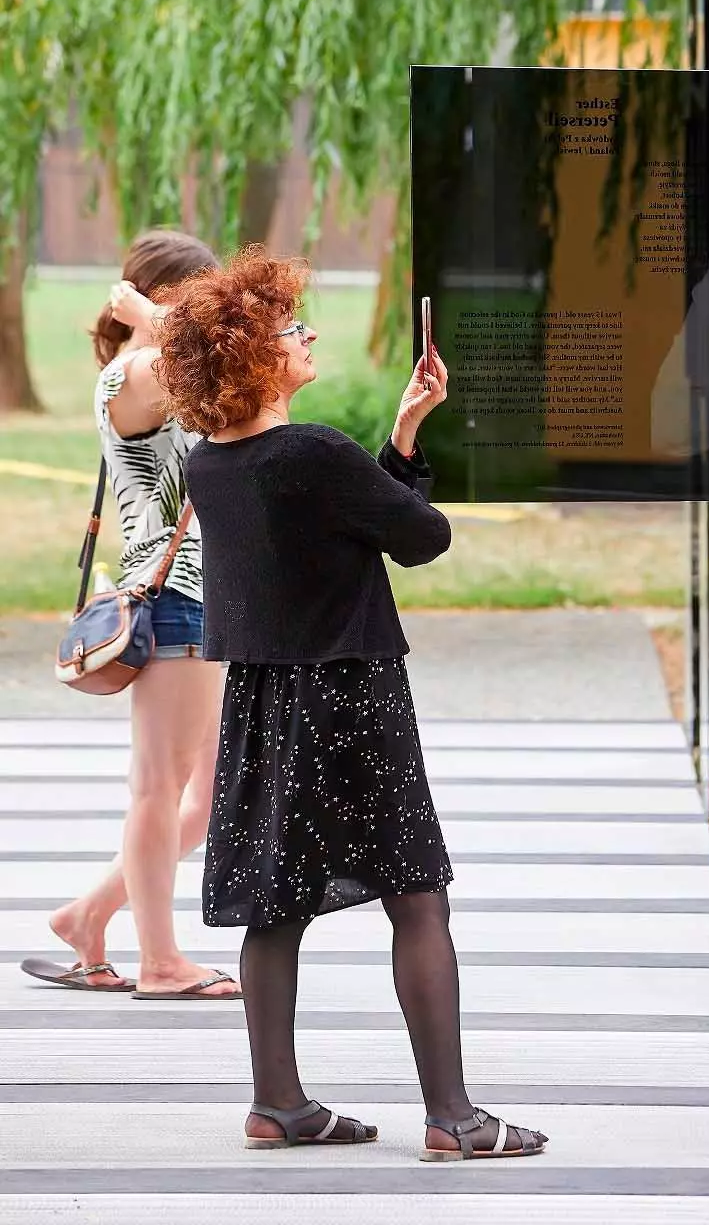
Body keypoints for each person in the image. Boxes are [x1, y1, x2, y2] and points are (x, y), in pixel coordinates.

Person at [156, 246, 548, 1159]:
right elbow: (420, 537)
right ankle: (453, 1116)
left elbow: (325, 526)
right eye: (292, 329)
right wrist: (408, 461)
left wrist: (404, 431)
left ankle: (277, 1102)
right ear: (255, 356)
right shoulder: (314, 451)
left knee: (275, 903)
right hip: (351, 694)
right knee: (417, 897)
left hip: (262, 700)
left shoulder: (212, 462)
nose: (306, 335)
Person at [21, 228, 241, 1001]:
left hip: (209, 594)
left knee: (205, 798)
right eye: (200, 299)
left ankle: (89, 916)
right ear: (161, 296)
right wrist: (151, 325)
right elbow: (192, 388)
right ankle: (159, 961)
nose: (215, 314)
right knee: (159, 788)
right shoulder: (135, 372)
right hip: (173, 593)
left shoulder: (159, 358)